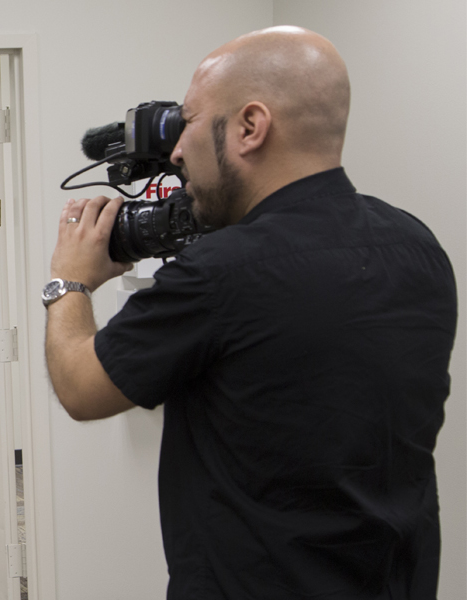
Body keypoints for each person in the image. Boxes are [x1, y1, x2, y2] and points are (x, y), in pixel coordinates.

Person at [44, 26, 457, 599]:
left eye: (188, 122)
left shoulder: (219, 273)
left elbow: (80, 387)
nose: (177, 151)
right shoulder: (417, 247)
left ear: (250, 126)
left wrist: (69, 280)